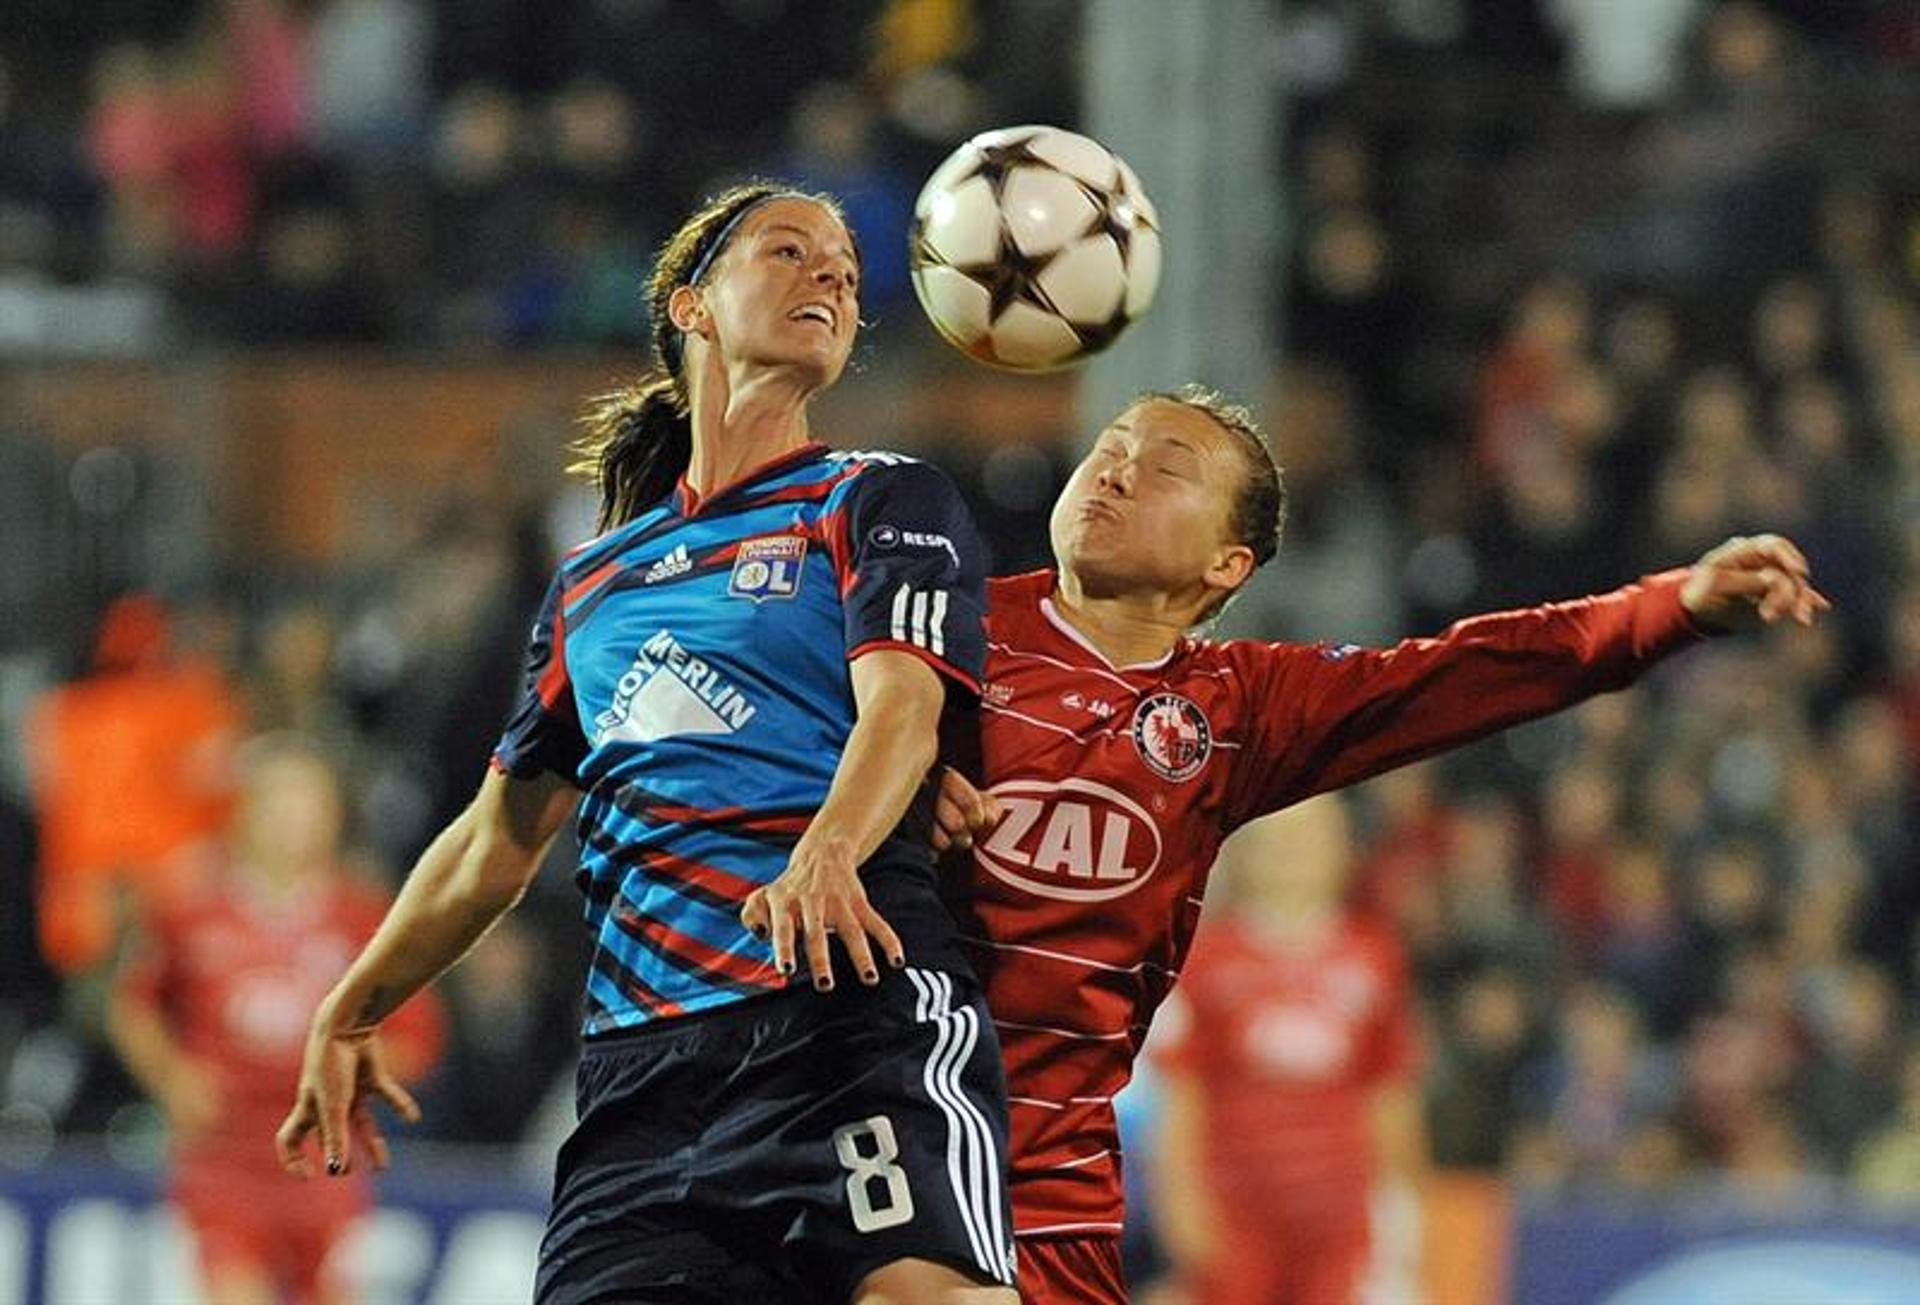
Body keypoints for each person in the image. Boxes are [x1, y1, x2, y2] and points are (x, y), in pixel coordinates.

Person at [277, 182, 1018, 1304]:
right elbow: (495, 845)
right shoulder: (591, 587)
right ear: (693, 305)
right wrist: (359, 1001)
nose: (831, 276)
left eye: (848, 274)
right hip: (644, 1081)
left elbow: (903, 709)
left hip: (844, 1012)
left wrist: (828, 848)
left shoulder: (876, 500)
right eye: (788, 252)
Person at [923, 384, 1826, 1304]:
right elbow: (776, 765)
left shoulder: (1241, 709)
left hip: (1046, 1184)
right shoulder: (936, 635)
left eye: (1167, 468)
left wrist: (1674, 607)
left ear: (1227, 565)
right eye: (1112, 447)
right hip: (878, 1116)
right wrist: (886, 786)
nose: (1117, 469)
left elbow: (1473, 670)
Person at [110, 734, 443, 1305]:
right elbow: (132, 1005)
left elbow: (418, 1035)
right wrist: (170, 1077)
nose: (295, 822)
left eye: (310, 806)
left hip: (326, 1160)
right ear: (245, 811)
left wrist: (354, 1070)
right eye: (280, 804)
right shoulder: (190, 911)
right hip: (225, 1156)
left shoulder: (362, 918)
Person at [1146, 794, 1423, 1305]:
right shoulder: (1207, 957)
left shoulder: (1373, 955)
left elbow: (1388, 1090)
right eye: (1279, 841)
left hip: (1339, 1213)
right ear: (1247, 854)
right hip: (1236, 1211)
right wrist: (1180, 1201)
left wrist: (1401, 1206)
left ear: (1343, 850)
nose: (1294, 853)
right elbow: (1183, 1092)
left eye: (1310, 837)